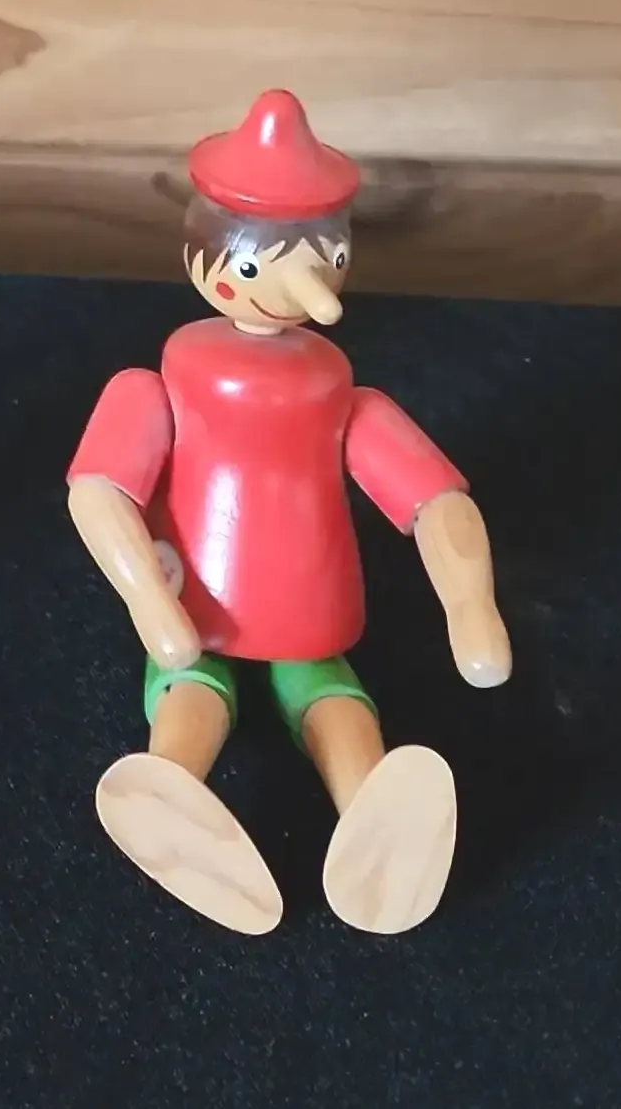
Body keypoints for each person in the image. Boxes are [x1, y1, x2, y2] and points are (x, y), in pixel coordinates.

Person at [66, 89, 511, 933]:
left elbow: (436, 501)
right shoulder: (162, 381)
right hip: (196, 603)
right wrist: (150, 601)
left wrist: (471, 606)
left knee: (330, 695)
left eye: (325, 257)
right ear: (205, 255)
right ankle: (171, 790)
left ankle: (375, 816)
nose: (305, 289)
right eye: (256, 264)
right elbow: (98, 493)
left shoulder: (339, 391)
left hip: (310, 612)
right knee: (194, 686)